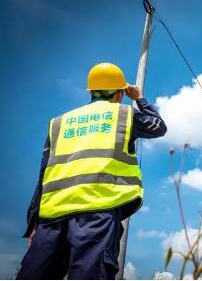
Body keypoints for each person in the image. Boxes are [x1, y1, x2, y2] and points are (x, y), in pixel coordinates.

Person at [17, 63, 167, 279]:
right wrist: (139, 98)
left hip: (51, 218)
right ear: (119, 93)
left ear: (91, 91)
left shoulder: (59, 123)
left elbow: (43, 174)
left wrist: (34, 225)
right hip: (97, 213)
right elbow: (158, 126)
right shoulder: (124, 114)